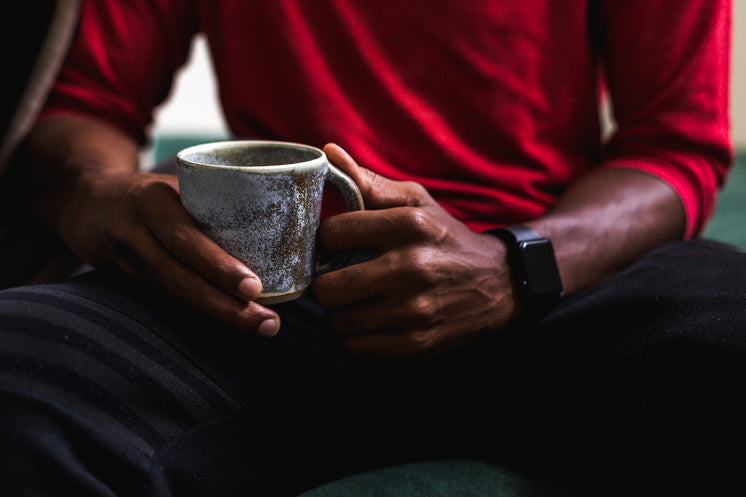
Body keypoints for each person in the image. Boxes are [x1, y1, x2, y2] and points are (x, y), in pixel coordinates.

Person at [1, 0, 744, 495]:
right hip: (270, 300)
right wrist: (99, 197)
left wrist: (512, 264)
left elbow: (674, 143)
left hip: (547, 276)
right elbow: (88, 107)